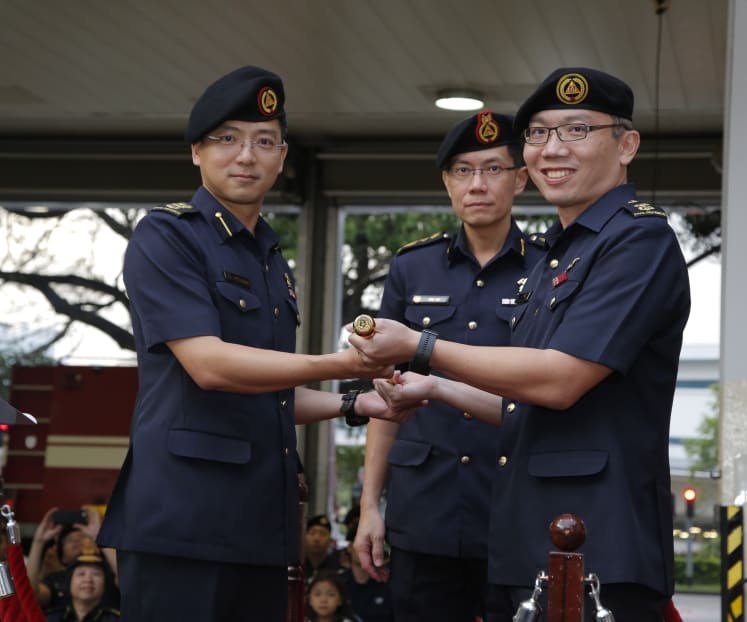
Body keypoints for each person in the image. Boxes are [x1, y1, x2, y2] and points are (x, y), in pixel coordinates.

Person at [349, 67, 691, 622]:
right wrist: (436, 387)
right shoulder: (562, 254)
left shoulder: (637, 239)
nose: (553, 148)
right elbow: (522, 408)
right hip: (533, 541)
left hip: (595, 544)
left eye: (576, 130)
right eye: (538, 134)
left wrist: (421, 345)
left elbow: (560, 381)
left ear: (626, 145)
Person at [95, 65, 397, 622]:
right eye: (227, 139)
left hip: (260, 524)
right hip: (184, 526)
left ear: (282, 158)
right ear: (196, 152)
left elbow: (272, 393)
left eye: (264, 142)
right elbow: (210, 367)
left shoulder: (268, 257)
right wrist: (341, 363)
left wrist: (357, 402)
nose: (246, 155)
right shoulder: (167, 235)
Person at [354, 109, 545, 622]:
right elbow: (385, 396)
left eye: (493, 169)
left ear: (521, 178)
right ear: (446, 181)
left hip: (515, 508)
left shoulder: (551, 268)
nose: (477, 184)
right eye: (463, 171)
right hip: (425, 511)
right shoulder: (412, 266)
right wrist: (370, 504)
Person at [28, 507, 119, 611]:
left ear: (97, 549)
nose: (77, 542)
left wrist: (100, 537)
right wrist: (38, 542)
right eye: (70, 540)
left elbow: (128, 579)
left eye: (84, 537)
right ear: (62, 557)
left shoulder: (110, 576)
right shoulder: (57, 581)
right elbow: (30, 595)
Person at [45, 544, 119, 621]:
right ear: (69, 582)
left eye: (96, 574)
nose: (88, 580)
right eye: (81, 574)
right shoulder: (51, 618)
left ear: (105, 584)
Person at [342, 523, 393, 622]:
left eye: (370, 544)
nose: (365, 549)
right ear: (349, 547)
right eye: (359, 543)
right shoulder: (338, 583)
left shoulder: (389, 583)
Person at [304, 514, 344, 581]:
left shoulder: (337, 569)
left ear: (330, 540)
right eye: (312, 533)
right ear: (305, 538)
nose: (316, 538)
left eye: (322, 534)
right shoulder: (298, 567)